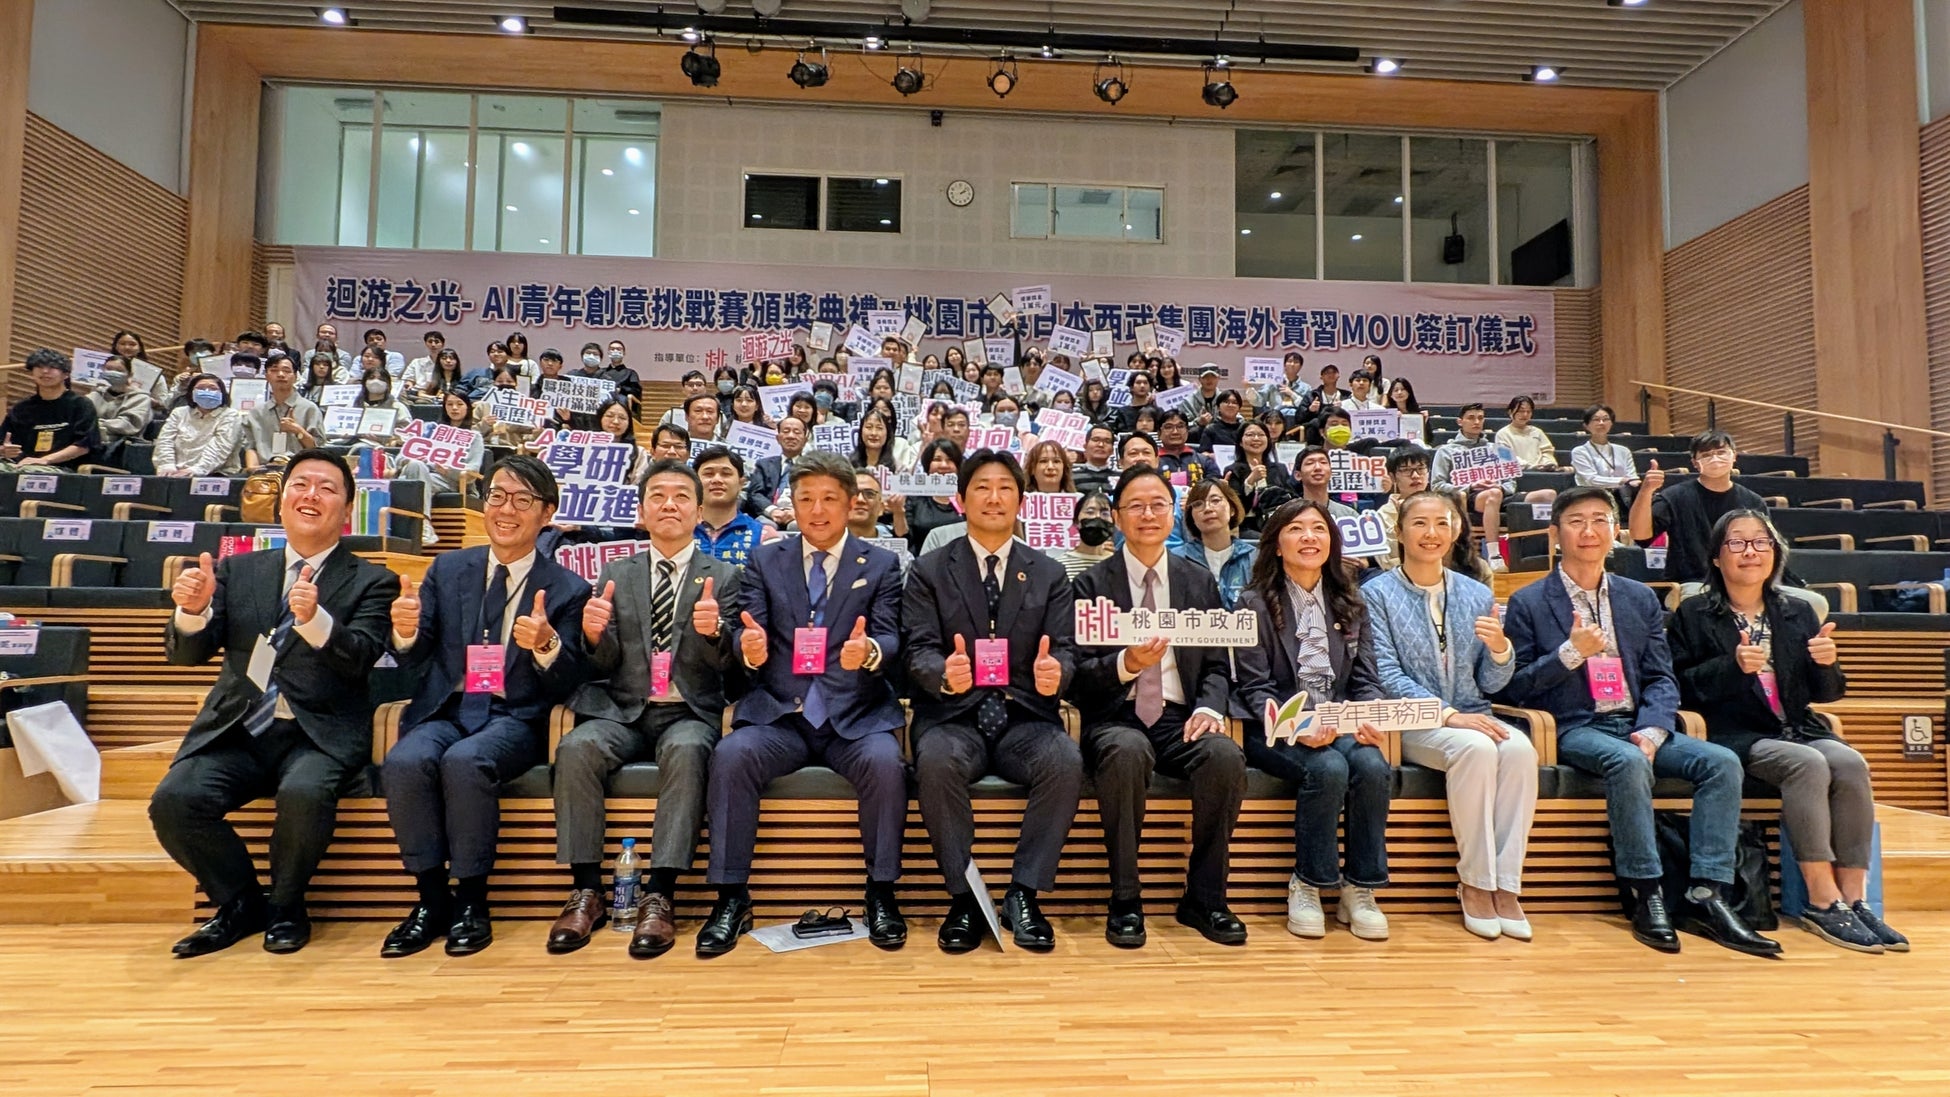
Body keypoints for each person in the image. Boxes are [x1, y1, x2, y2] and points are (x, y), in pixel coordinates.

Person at [1499, 486, 1780, 956]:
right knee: (1627, 762)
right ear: (1555, 533)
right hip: (1574, 728)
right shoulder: (1529, 601)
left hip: (1638, 722)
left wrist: (1652, 729)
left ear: (1616, 532)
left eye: (1599, 520)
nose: (1589, 531)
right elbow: (1512, 689)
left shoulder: (1639, 598)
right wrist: (1570, 655)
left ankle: (1707, 893)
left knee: (1721, 763)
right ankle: (1646, 891)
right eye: (1575, 521)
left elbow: (1662, 678)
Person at [149, 450, 399, 956]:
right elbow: (188, 655)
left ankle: (287, 906)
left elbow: (363, 658)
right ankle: (239, 903)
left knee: (305, 794)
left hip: (319, 734)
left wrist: (315, 623)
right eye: (300, 484)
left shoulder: (373, 579)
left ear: (347, 511)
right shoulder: (237, 570)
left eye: (327, 488)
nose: (312, 495)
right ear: (281, 501)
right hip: (238, 729)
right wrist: (191, 613)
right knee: (174, 802)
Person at [379, 456, 593, 958]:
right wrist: (405, 630)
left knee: (465, 762)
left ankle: (473, 900)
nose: (506, 509)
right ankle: (431, 901)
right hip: (446, 708)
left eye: (522, 500)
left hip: (514, 716)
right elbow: (417, 649)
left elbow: (571, 680)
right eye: (497, 496)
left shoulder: (567, 588)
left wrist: (545, 645)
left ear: (547, 514)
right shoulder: (449, 568)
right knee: (405, 761)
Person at [700, 451, 909, 955]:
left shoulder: (880, 563)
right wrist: (744, 648)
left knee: (886, 765)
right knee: (731, 757)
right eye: (806, 499)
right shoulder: (766, 559)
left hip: (853, 715)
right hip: (781, 713)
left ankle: (881, 891)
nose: (817, 510)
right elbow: (746, 630)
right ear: (790, 504)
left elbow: (891, 636)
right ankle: (731, 895)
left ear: (852, 503)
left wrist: (872, 651)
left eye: (830, 499)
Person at [1667, 510, 1904, 953]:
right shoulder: (1695, 612)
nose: (1750, 552)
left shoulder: (1797, 610)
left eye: (1761, 542)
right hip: (1735, 731)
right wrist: (1732, 668)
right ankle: (1820, 897)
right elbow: (1680, 686)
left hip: (1796, 725)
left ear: (1775, 553)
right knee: (1808, 763)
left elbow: (1828, 694)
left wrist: (1827, 662)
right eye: (1737, 543)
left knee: (1851, 762)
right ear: (1717, 558)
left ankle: (1856, 898)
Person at [548, 460, 742, 958]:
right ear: (641, 511)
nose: (670, 504)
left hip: (689, 711)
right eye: (658, 496)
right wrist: (593, 634)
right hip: (623, 708)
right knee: (576, 748)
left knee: (688, 753)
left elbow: (735, 667)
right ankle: (586, 889)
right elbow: (603, 660)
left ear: (699, 511)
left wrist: (715, 632)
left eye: (681, 496)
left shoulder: (725, 576)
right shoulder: (615, 572)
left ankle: (660, 894)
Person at [902, 450, 1081, 952]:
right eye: (982, 486)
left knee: (1065, 761)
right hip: (953, 716)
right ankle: (963, 899)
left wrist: (1056, 675)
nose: (994, 496)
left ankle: (1024, 893)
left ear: (1021, 500)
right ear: (960, 499)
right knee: (934, 762)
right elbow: (917, 649)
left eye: (1005, 487)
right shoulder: (930, 569)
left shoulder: (1048, 572)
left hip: (1026, 716)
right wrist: (943, 673)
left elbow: (1065, 649)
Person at [1070, 466, 1248, 948]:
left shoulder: (1197, 582)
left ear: (1172, 515)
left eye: (1158, 505)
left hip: (1180, 716)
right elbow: (1076, 678)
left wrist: (1210, 708)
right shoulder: (1090, 586)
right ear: (1116, 517)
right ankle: (1125, 898)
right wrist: (1126, 663)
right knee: (1126, 752)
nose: (1148, 515)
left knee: (1225, 756)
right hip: (1116, 715)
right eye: (1136, 506)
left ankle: (1205, 896)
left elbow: (1216, 664)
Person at [1364, 491, 1537, 940]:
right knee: (1477, 749)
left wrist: (1501, 650)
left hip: (1473, 713)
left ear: (1456, 531)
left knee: (1520, 751)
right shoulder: (1375, 593)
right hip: (1410, 719)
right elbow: (1384, 672)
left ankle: (1506, 885)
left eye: (1442, 523)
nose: (1431, 533)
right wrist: (1445, 714)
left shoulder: (1478, 594)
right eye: (1419, 524)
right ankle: (1475, 883)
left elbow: (1492, 683)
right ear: (1399, 533)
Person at [1234, 500, 1392, 941]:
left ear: (1331, 542)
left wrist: (1368, 715)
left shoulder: (1350, 603)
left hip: (1337, 723)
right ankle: (1308, 882)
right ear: (1277, 544)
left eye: (1318, 529)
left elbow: (1366, 679)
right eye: (1296, 529)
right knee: (1327, 767)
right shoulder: (1253, 603)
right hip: (1274, 727)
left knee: (1373, 765)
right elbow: (1254, 686)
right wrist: (1298, 725)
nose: (1309, 537)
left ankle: (1360, 888)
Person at [1628, 429, 1770, 589]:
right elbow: (1640, 536)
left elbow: (1766, 547)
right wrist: (1646, 491)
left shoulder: (1753, 501)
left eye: (1721, 452)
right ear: (1695, 463)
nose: (1715, 459)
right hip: (1692, 583)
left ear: (1734, 456)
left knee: (1801, 599)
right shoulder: (1675, 496)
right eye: (1706, 455)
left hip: (1745, 582)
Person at [1431, 402, 1540, 572]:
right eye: (1471, 418)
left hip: (1501, 493)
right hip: (1471, 497)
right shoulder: (1446, 451)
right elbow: (1437, 485)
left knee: (1548, 495)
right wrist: (1470, 486)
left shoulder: (1499, 449)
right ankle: (1494, 555)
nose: (1477, 422)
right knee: (1493, 495)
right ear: (1460, 422)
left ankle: (1541, 551)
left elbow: (1510, 482)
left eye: (1480, 418)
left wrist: (1501, 486)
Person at [0, 349, 100, 470]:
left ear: (66, 374)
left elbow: (84, 445)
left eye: (52, 367)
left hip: (62, 468)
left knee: (30, 472)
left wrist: (44, 460)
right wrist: (4, 450)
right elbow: (4, 442)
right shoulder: (21, 408)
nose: (45, 371)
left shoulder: (81, 404)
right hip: (19, 465)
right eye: (39, 367)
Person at [1174, 479, 1256, 609]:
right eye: (1198, 504)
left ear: (1232, 509)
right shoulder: (1176, 559)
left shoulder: (1254, 558)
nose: (1207, 509)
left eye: (1215, 501)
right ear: (1191, 517)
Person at [155, 371, 245, 476]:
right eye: (201, 388)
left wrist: (197, 470)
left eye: (213, 388)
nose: (207, 391)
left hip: (216, 473)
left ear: (222, 393)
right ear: (191, 392)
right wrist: (167, 465)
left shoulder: (230, 415)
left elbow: (220, 447)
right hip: (174, 470)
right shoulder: (179, 412)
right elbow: (165, 440)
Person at [243, 353, 323, 467]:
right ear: (266, 376)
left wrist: (298, 431)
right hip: (264, 471)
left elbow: (318, 450)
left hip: (299, 469)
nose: (280, 375)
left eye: (286, 371)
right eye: (274, 370)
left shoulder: (309, 409)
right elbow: (251, 447)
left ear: (295, 377)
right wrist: (253, 470)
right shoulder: (256, 413)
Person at [693, 447, 765, 566]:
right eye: (709, 474)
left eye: (726, 474)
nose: (717, 480)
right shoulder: (677, 531)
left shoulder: (763, 534)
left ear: (741, 483)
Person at [1225, 420, 1297, 537]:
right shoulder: (1232, 470)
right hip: (1248, 526)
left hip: (1277, 523)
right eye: (1250, 435)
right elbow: (1236, 510)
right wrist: (1250, 482)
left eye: (1261, 435)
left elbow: (1292, 497)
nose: (1256, 438)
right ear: (1240, 442)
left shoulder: (1280, 469)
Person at [86, 355, 156, 465]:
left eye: (119, 370)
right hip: (91, 443)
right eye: (109, 369)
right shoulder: (94, 395)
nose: (113, 373)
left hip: (121, 450)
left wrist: (95, 426)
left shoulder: (141, 398)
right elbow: (80, 420)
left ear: (129, 375)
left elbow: (126, 425)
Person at [1570, 403, 1642, 505]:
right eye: (1596, 419)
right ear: (1586, 425)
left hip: (1622, 497)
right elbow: (1591, 480)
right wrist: (1622, 481)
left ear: (1611, 423)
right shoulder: (1579, 451)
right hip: (1591, 496)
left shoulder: (1623, 450)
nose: (1601, 423)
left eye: (1605, 419)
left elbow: (1632, 476)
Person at [1374, 446, 1433, 569]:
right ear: (1393, 477)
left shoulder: (1443, 507)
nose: (1416, 475)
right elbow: (1386, 561)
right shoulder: (1383, 515)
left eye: (1421, 469)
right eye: (1406, 470)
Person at [904, 438, 965, 554]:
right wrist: (898, 512)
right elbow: (906, 538)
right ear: (928, 465)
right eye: (937, 459)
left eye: (950, 460)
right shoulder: (915, 496)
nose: (943, 465)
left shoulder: (966, 496)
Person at [107, 330, 173, 412]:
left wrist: (150, 401)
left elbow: (163, 403)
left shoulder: (153, 373)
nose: (127, 347)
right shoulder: (105, 369)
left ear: (140, 348)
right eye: (122, 344)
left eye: (132, 344)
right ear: (115, 347)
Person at [1059, 490, 1116, 580]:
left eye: (1105, 514)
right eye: (1090, 512)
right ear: (1076, 521)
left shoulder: (1121, 564)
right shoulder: (1059, 566)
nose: (1097, 517)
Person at [1496, 395, 1561, 471]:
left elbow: (1547, 451)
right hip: (1518, 473)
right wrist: (1530, 467)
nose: (1525, 415)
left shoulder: (1537, 432)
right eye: (1521, 411)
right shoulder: (1502, 433)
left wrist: (1547, 464)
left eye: (1528, 411)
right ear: (1510, 412)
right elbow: (1506, 457)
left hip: (1541, 472)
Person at [1293, 447, 1358, 522]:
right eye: (1310, 463)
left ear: (1331, 473)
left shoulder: (1348, 515)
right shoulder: (1287, 514)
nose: (1318, 467)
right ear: (1298, 475)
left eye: (1323, 462)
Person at [1154, 411, 1217, 484]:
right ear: (1159, 433)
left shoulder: (1203, 460)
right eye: (1168, 427)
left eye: (1180, 426)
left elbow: (1214, 485)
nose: (1175, 432)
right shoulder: (1152, 461)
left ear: (1187, 431)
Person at [1072, 425, 1118, 495]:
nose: (1101, 445)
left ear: (1112, 450)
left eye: (1107, 441)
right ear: (1085, 446)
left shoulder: (1120, 478)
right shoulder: (1071, 477)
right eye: (1096, 440)